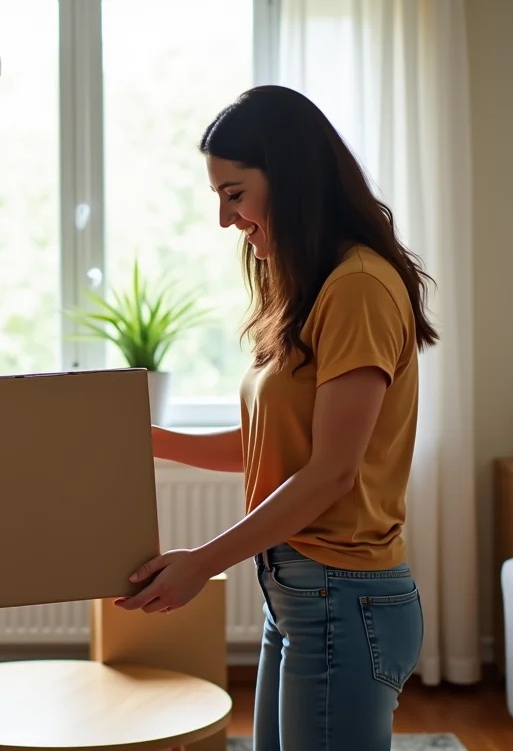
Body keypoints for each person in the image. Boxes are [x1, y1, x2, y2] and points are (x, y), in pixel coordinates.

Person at [116, 85, 438, 750]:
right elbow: (274, 444)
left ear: (291, 180)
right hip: (300, 591)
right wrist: (149, 442)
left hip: (343, 597)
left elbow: (331, 473)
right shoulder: (310, 285)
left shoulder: (358, 287)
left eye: (234, 194)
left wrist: (202, 563)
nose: (225, 219)